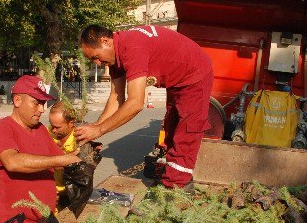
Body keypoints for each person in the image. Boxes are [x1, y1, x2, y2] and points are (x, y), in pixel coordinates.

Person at [75, 24, 214, 189]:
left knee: (187, 131)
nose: (98, 64)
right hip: (176, 81)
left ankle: (176, 188)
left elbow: (135, 103)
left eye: (95, 57)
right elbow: (116, 97)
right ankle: (174, 176)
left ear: (105, 41)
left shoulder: (132, 47)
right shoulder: (114, 57)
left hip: (195, 74)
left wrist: (99, 130)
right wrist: (96, 127)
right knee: (171, 127)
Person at [0, 75, 81, 223]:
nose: (42, 109)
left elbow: (60, 163)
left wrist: (81, 156)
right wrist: (61, 160)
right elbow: (12, 162)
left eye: (43, 103)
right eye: (36, 103)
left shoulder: (41, 129)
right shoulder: (2, 128)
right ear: (17, 101)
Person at [48, 101, 77, 200]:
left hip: (71, 196)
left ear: (71, 123)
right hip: (50, 192)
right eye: (52, 125)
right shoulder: (48, 133)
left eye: (57, 127)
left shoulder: (79, 140)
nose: (53, 130)